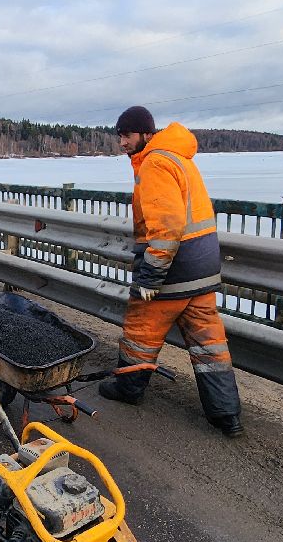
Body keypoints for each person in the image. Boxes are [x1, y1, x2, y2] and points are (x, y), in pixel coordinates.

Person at [98, 105, 244, 438]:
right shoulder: (180, 158)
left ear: (145, 134)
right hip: (203, 267)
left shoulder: (155, 163)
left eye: (126, 136)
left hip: (175, 271)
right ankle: (227, 415)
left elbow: (167, 227)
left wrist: (150, 276)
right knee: (209, 343)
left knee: (141, 330)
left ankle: (128, 390)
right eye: (119, 136)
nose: (121, 143)